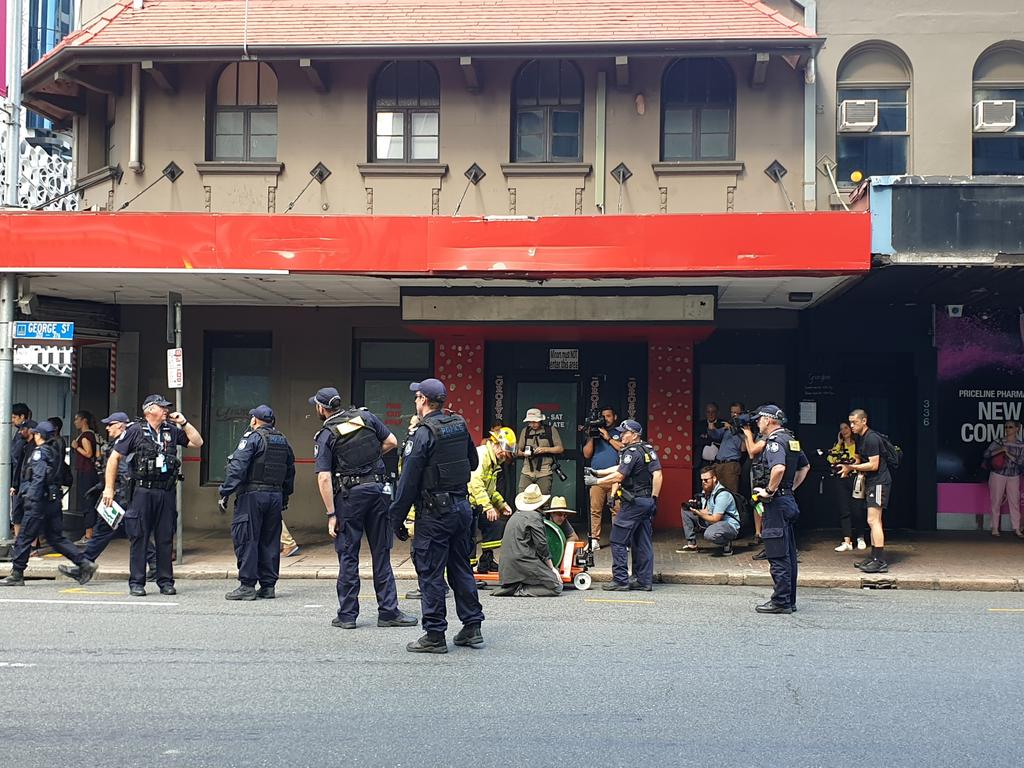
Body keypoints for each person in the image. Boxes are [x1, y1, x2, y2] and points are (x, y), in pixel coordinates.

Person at [389, 378, 484, 654]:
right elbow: (473, 462)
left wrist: (396, 519)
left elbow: (407, 483)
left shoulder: (423, 433)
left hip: (434, 513)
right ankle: (472, 627)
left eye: (416, 397)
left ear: (422, 400)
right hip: (461, 507)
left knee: (431, 572)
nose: (415, 402)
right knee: (461, 567)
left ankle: (434, 634)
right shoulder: (459, 424)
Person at [310, 387, 415, 630]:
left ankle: (347, 615)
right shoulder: (365, 418)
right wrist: (369, 459)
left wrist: (331, 514)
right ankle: (388, 612)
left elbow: (324, 478)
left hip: (349, 497)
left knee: (348, 555)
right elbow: (391, 441)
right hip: (377, 491)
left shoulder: (326, 434)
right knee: (381, 553)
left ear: (322, 408)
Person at [103, 394, 203, 597]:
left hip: (165, 491)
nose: (166, 410)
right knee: (139, 536)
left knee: (165, 537)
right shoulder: (134, 431)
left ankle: (165, 581)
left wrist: (184, 422)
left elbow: (197, 442)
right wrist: (109, 488)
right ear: (149, 410)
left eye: (167, 407)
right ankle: (137, 582)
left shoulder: (171, 430)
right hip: (142, 491)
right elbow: (114, 458)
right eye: (162, 407)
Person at [58, 412, 157, 581]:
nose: (107, 427)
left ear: (120, 425)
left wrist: (115, 495)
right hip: (119, 497)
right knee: (129, 531)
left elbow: (125, 474)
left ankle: (85, 565)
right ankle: (86, 565)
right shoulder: (119, 443)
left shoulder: (127, 443)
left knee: (107, 530)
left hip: (121, 498)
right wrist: (100, 487)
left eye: (110, 424)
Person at [0, 421, 97, 587]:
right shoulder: (55, 451)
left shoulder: (40, 453)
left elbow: (39, 477)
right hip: (52, 501)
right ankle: (84, 564)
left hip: (39, 502)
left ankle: (17, 573)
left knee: (24, 537)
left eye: (36, 433)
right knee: (56, 538)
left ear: (40, 435)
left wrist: (31, 499)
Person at [219, 405, 296, 601]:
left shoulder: (251, 438)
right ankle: (268, 586)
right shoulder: (283, 441)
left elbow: (237, 467)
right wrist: (284, 497)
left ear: (254, 420)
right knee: (270, 541)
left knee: (247, 539)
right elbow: (289, 473)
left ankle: (247, 586)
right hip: (275, 497)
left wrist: (225, 491)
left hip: (253, 496)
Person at [587, 419, 662, 592]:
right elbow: (657, 475)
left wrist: (597, 481)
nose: (621, 435)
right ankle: (643, 580)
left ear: (634, 435)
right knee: (641, 541)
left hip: (633, 502)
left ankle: (620, 580)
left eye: (624, 432)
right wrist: (654, 498)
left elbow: (619, 476)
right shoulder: (647, 449)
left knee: (617, 539)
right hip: (646, 501)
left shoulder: (631, 452)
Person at [750, 405, 802, 614]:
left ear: (769, 420)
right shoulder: (792, 440)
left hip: (776, 504)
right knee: (788, 553)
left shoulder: (774, 443)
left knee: (777, 554)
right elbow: (804, 467)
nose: (757, 422)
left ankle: (780, 602)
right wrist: (789, 489)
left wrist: (770, 491)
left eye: (759, 419)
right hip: (787, 500)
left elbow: (779, 468)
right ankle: (789, 600)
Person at [839, 409, 892, 573]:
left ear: (864, 421)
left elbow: (874, 465)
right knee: (872, 520)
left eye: (855, 422)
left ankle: (879, 559)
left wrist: (851, 467)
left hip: (879, 483)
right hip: (872, 482)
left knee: (874, 520)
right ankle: (873, 556)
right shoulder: (861, 439)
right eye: (850, 422)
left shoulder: (871, 438)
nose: (852, 426)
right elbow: (861, 458)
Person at [492, 483, 563, 597]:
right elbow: (541, 545)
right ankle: (520, 590)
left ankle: (516, 585)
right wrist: (552, 568)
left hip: (507, 567)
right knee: (557, 586)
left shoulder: (516, 515)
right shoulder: (534, 517)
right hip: (522, 560)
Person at [468, 426, 517, 574]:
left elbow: (490, 489)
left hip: (479, 502)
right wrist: (489, 507)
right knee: (468, 537)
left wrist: (501, 504)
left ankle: (486, 561)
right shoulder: (482, 456)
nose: (505, 455)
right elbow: (475, 484)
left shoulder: (494, 461)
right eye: (505, 450)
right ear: (496, 445)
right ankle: (467, 573)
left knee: (494, 525)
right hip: (468, 502)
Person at [581, 405, 622, 549]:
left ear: (615, 417)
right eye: (603, 416)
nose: (605, 419)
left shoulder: (620, 432)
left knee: (617, 509)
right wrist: (592, 437)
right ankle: (594, 540)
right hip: (597, 476)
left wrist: (608, 437)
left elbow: (624, 448)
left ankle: (619, 540)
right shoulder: (594, 431)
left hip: (615, 477)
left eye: (609, 416)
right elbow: (586, 454)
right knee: (595, 510)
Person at [678, 466, 740, 556]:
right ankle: (692, 544)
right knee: (686, 511)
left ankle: (726, 542)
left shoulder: (723, 495)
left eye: (706, 480)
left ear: (714, 479)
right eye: (702, 480)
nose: (703, 482)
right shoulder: (706, 490)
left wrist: (698, 513)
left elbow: (715, 519)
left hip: (729, 525)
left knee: (709, 534)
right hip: (715, 521)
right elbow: (707, 510)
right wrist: (695, 507)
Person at [827, 421, 867, 552]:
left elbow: (857, 460)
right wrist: (839, 443)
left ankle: (861, 537)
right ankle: (847, 541)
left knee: (857, 509)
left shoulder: (858, 444)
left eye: (846, 428)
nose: (844, 431)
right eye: (841, 429)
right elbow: (831, 459)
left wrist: (848, 465)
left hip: (855, 478)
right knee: (844, 510)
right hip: (841, 478)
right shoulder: (839, 445)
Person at [983, 421, 1023, 538]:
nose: (1007, 429)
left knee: (1014, 501)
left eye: (1010, 427)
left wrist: (1008, 453)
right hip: (998, 474)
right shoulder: (999, 441)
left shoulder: (1021, 445)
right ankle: (995, 527)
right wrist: (1000, 450)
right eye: (1006, 427)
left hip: (1014, 475)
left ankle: (1016, 528)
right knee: (996, 500)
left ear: (1017, 429)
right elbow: (986, 454)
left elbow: (1020, 462)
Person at [516, 408, 564, 494]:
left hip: (544, 471)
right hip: (527, 471)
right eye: (530, 422)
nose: (532, 424)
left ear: (540, 420)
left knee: (543, 500)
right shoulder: (525, 431)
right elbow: (518, 450)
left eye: (535, 422)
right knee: (522, 498)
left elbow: (560, 448)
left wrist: (545, 449)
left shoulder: (550, 430)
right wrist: (524, 454)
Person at [71, 410, 100, 544]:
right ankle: (90, 531)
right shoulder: (91, 435)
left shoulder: (85, 436)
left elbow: (88, 453)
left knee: (87, 501)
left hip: (86, 472)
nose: (75, 422)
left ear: (84, 421)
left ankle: (89, 534)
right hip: (89, 472)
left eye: (77, 419)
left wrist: (77, 447)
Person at [707, 403, 745, 493]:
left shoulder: (743, 428)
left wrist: (733, 430)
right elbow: (716, 435)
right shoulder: (729, 426)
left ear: (742, 413)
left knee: (730, 494)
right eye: (732, 412)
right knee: (714, 492)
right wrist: (711, 427)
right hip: (718, 464)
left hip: (731, 465)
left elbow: (741, 447)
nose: (734, 415)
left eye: (737, 413)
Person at [9, 405, 34, 539]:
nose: (12, 420)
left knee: (21, 512)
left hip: (23, 478)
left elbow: (16, 456)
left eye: (14, 417)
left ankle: (25, 543)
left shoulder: (23, 435)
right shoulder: (20, 433)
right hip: (21, 478)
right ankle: (24, 542)